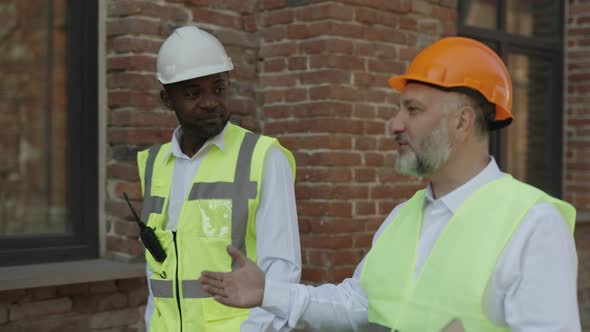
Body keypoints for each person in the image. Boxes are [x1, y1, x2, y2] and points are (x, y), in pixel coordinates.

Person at [198, 36, 580, 331]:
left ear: (462, 122)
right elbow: (357, 304)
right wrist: (269, 293)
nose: (394, 124)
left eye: (412, 109)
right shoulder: (404, 217)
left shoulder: (532, 224)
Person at [137, 26, 301, 332]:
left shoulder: (263, 157)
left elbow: (282, 273)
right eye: (193, 93)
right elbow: (156, 273)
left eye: (219, 87)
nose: (211, 102)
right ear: (167, 99)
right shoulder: (154, 165)